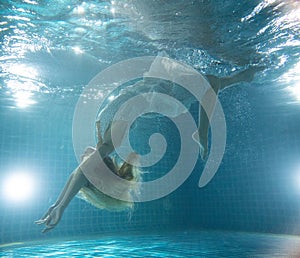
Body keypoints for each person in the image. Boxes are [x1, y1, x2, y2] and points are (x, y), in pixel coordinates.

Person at [35, 120, 141, 233]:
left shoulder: (109, 143)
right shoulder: (110, 144)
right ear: (97, 166)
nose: (82, 156)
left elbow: (77, 174)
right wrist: (61, 206)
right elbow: (81, 172)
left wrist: (58, 204)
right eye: (85, 160)